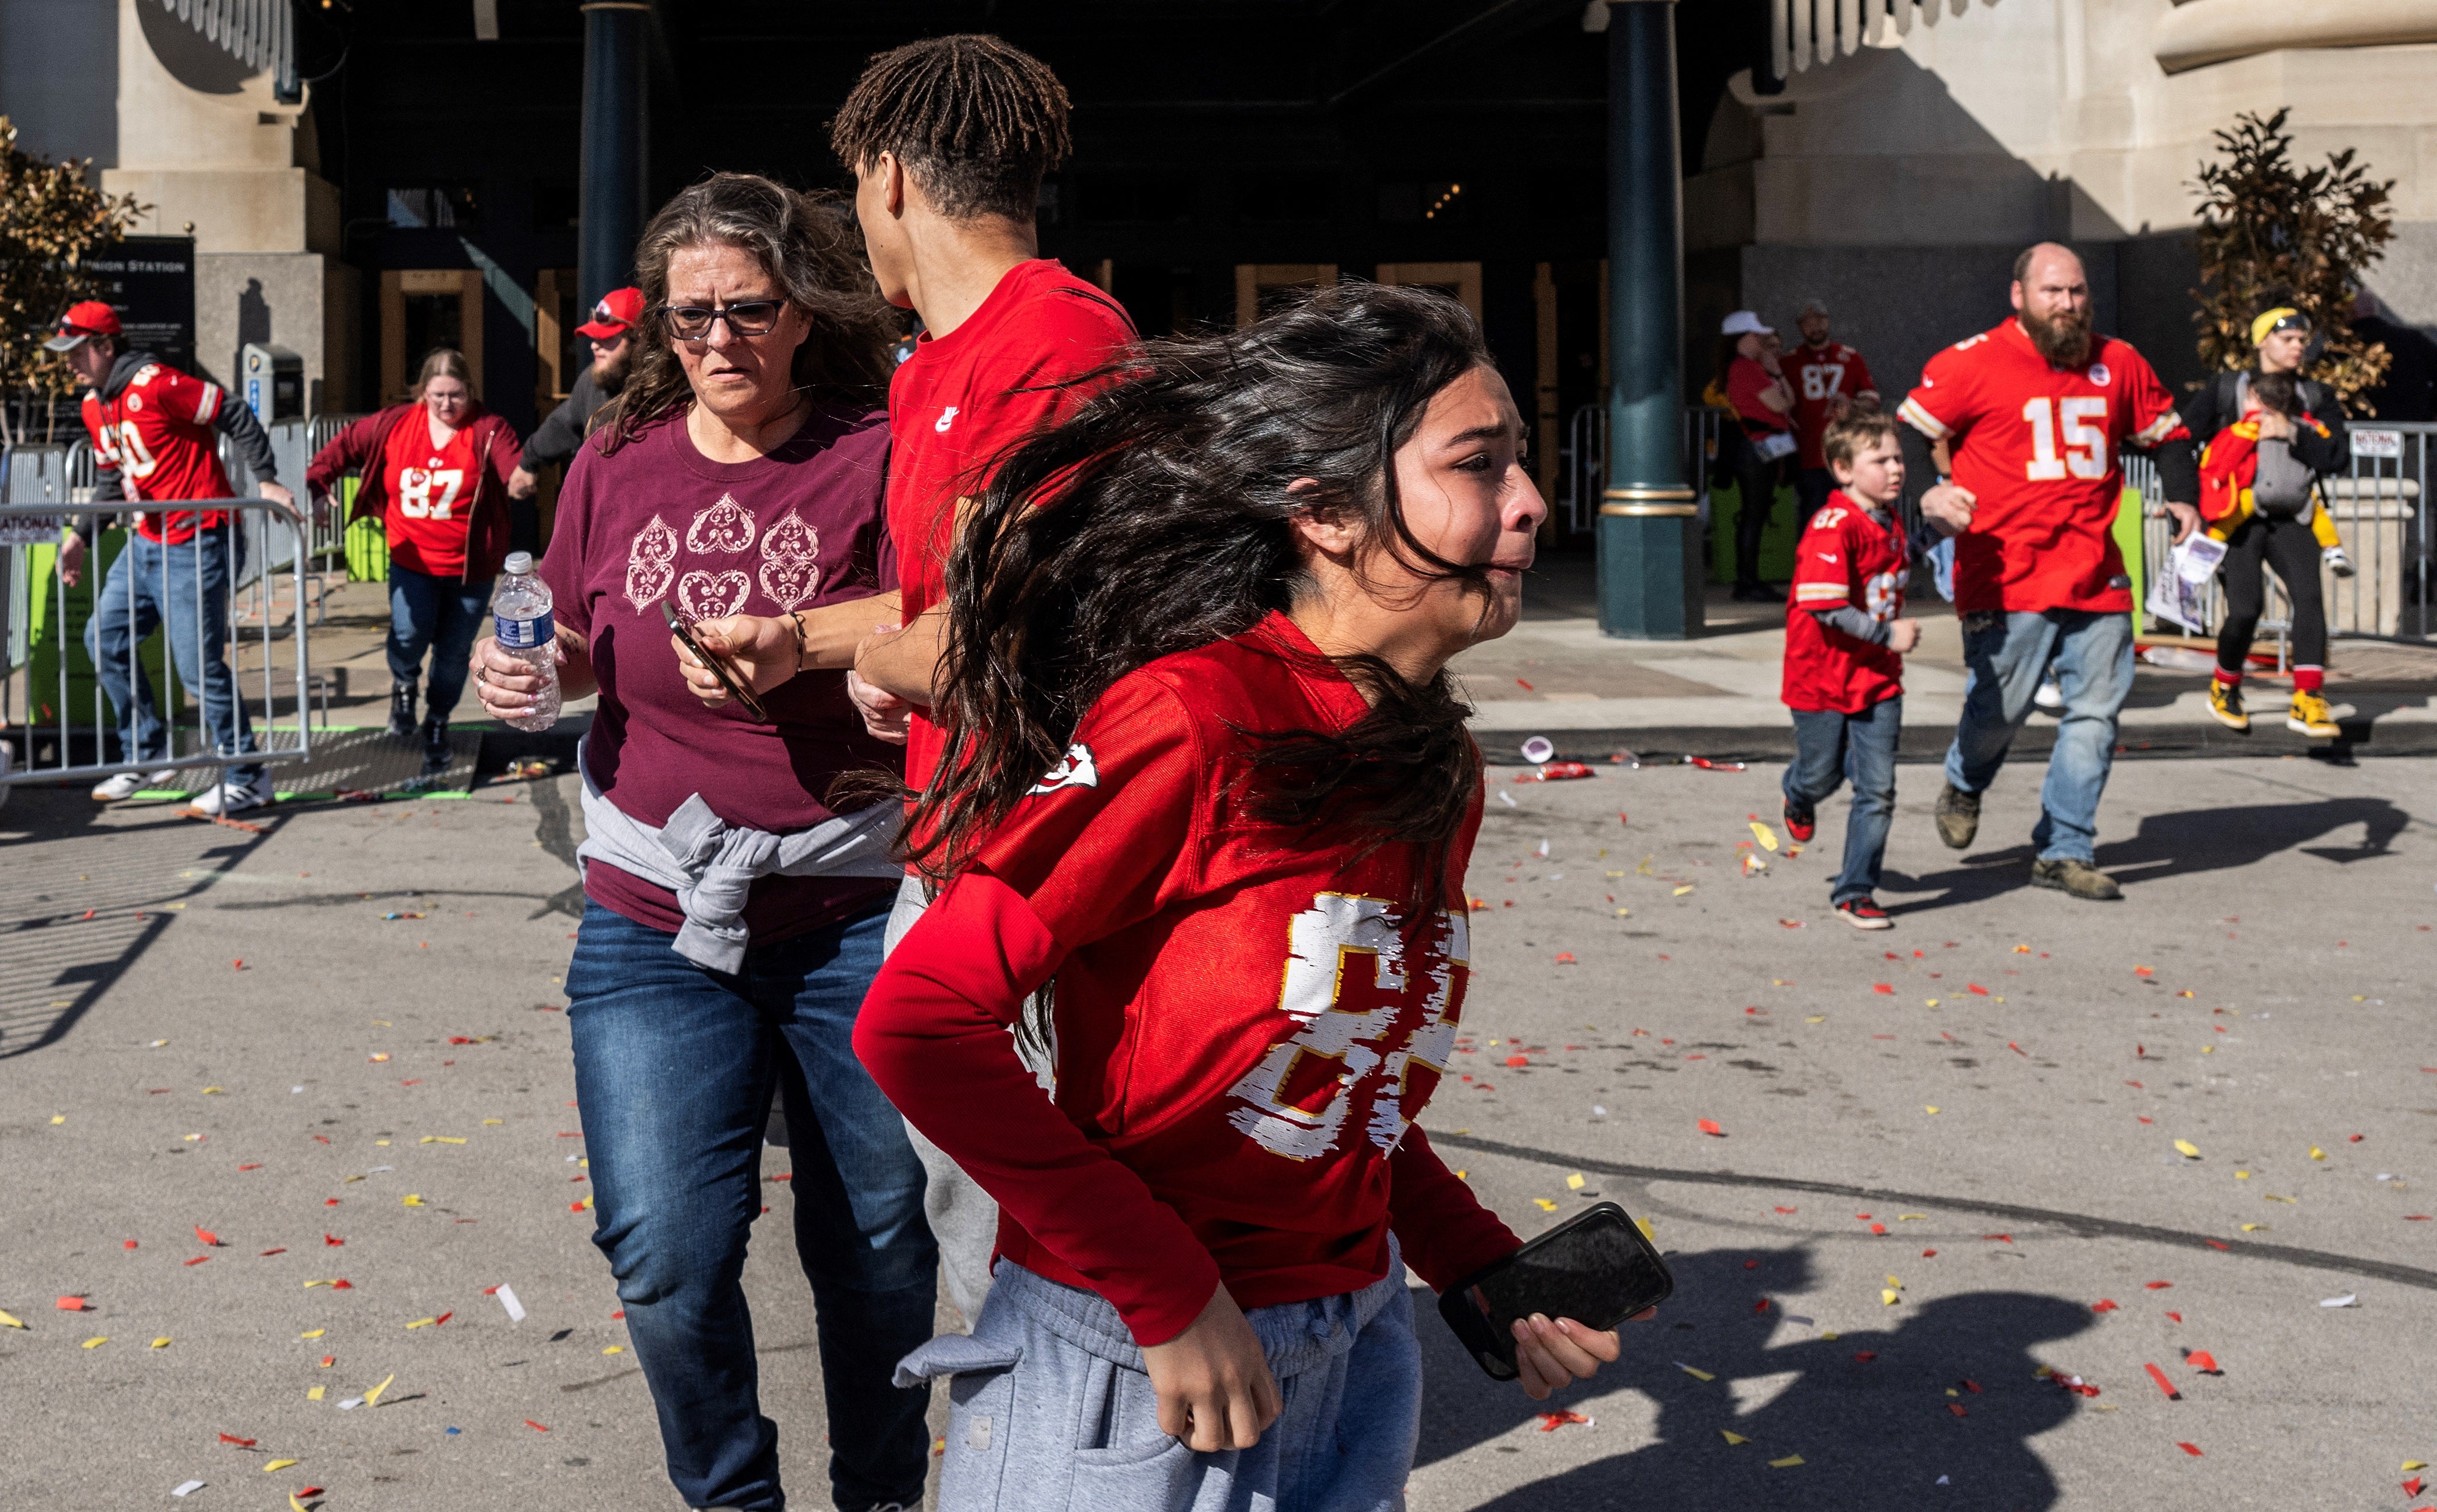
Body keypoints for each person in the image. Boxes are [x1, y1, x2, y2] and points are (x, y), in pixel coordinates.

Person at [854, 284, 1631, 1512]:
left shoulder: (1434, 756)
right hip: (1130, 1366)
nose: (1530, 504)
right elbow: (916, 1020)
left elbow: (1334, 1071)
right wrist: (1162, 1288)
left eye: (1519, 463)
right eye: (1478, 466)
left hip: (1354, 1348)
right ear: (1322, 512)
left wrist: (1474, 1261)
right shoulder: (1190, 717)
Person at [468, 172, 934, 1512]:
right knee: (664, 1254)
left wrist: (811, 642)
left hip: (850, 904)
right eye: (689, 318)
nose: (716, 339)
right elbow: (566, 635)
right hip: (649, 911)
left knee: (884, 1247)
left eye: (747, 309)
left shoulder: (876, 446)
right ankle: (731, 1499)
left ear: (802, 313)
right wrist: (531, 674)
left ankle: (881, 1492)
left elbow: (945, 608)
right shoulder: (616, 459)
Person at [833, 32, 1136, 1324]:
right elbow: (937, 618)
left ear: (890, 176)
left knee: (1034, 1238)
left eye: (853, 189)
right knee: (977, 1214)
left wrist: (883, 655)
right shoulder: (926, 369)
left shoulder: (1060, 336)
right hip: (954, 834)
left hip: (1038, 852)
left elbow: (1001, 641)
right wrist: (850, 646)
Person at [1900, 242, 2200, 901]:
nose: (2068, 305)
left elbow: (2170, 436)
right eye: (2053, 292)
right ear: (2019, 296)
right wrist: (1928, 491)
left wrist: (2183, 498)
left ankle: (2065, 847)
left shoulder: (2118, 361)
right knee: (2000, 709)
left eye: (2077, 292)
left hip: (2098, 575)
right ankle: (1964, 778)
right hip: (2005, 572)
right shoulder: (1971, 360)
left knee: (2095, 715)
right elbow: (1908, 430)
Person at [50, 300, 295, 815]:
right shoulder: (97, 406)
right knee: (103, 636)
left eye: (76, 351)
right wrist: (80, 536)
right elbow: (112, 480)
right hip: (146, 541)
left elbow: (233, 411)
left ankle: (248, 774)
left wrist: (267, 480)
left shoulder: (157, 383)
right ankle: (147, 749)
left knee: (198, 668)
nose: (69, 363)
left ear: (104, 347)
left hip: (199, 538)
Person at [305, 348, 524, 773]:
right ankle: (404, 684)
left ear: (471, 393)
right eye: (438, 395)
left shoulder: (489, 429)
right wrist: (319, 483)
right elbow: (344, 445)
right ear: (422, 392)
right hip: (411, 559)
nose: (447, 405)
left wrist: (521, 480)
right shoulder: (395, 424)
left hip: (469, 567)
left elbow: (513, 468)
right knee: (409, 636)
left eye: (457, 396)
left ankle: (438, 721)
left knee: (453, 653)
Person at [2178, 306, 2353, 739]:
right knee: (2245, 608)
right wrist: (2186, 502)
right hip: (2236, 518)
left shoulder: (2315, 396)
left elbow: (2337, 457)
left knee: (2309, 600)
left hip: (2291, 516)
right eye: (2288, 338)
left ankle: (2309, 698)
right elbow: (2180, 439)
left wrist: (2294, 433)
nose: (2298, 346)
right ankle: (2226, 684)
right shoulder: (2226, 390)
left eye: (2302, 339)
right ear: (2261, 342)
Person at [1782, 409, 1917, 929]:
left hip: (1878, 679)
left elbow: (1893, 568)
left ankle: (1855, 890)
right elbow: (1825, 605)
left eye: (1898, 457)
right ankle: (1798, 792)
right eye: (1879, 459)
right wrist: (1890, 633)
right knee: (1823, 774)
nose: (1895, 468)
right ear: (1842, 469)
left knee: (1878, 789)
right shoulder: (1832, 524)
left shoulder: (1891, 518)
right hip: (1820, 678)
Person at [508, 285, 642, 549]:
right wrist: (528, 463)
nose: (595, 345)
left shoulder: (670, 392)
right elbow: (564, 423)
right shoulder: (594, 381)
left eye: (608, 338)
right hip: (603, 527)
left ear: (641, 341)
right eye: (595, 337)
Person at [1717, 310, 1798, 602]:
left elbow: (1787, 402)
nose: (1761, 341)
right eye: (1756, 336)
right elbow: (1782, 404)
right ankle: (1748, 582)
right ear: (1743, 338)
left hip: (1758, 447)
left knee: (1756, 514)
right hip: (1756, 447)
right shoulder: (1745, 368)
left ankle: (1749, 581)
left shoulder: (1746, 367)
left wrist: (1776, 374)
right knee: (1754, 514)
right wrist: (1776, 375)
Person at [1786, 299, 1881, 523]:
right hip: (1809, 453)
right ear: (1800, 327)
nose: (1815, 327)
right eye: (1808, 323)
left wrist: (1852, 405)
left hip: (1848, 449)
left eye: (1820, 320)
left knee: (1854, 512)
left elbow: (1872, 398)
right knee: (1813, 513)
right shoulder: (1788, 362)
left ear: (1828, 322)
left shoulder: (1850, 356)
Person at [2348, 291, 2437, 424]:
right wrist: (2431, 409)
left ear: (2351, 311)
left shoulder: (2343, 347)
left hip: (2359, 431)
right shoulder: (2412, 340)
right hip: (2413, 429)